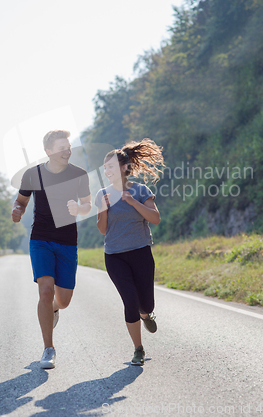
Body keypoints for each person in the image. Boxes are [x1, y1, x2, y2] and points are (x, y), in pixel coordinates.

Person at [12, 130, 91, 369]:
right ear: (48, 151)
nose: (67, 151)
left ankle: (54, 309)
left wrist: (79, 208)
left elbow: (88, 205)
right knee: (45, 291)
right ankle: (48, 349)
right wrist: (17, 210)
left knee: (63, 300)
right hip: (41, 239)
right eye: (61, 148)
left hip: (67, 242)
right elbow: (21, 201)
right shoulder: (32, 174)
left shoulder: (79, 174)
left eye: (68, 147)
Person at [95, 138, 165, 366]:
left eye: (111, 166)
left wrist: (133, 202)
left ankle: (146, 314)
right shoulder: (102, 195)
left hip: (141, 252)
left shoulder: (141, 190)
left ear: (124, 168)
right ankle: (138, 349)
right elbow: (103, 229)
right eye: (105, 168)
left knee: (146, 304)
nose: (107, 171)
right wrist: (104, 209)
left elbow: (155, 219)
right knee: (129, 300)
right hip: (115, 256)